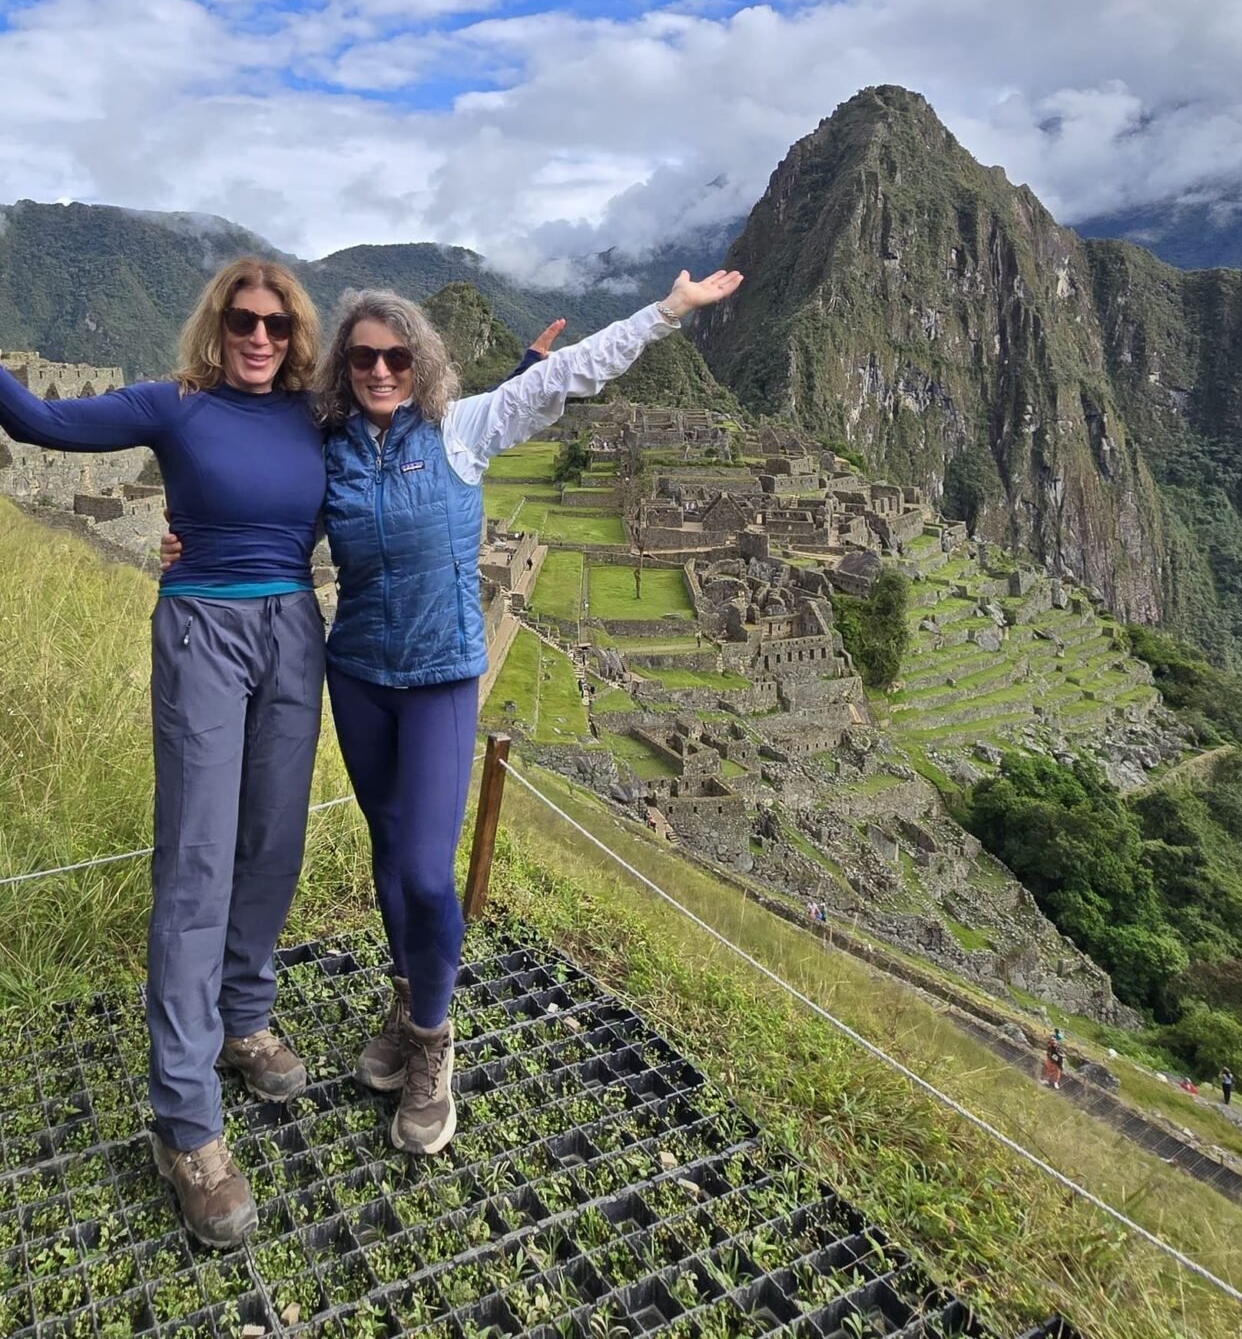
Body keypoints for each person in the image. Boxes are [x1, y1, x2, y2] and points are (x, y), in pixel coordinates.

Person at [166, 268, 741, 1157]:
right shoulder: (333, 449)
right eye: (364, 357)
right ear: (344, 368)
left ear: (421, 361)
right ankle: (406, 1006)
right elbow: (267, 512)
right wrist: (189, 539)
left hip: (438, 679)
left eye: (397, 355)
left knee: (431, 874)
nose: (381, 370)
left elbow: (567, 375)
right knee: (390, 860)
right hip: (358, 676)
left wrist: (667, 313)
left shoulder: (462, 430)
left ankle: (433, 1040)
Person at [0, 259, 326, 1249]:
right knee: (195, 860)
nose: (258, 336)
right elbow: (42, 425)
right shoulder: (177, 407)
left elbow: (425, 412)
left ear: (296, 334)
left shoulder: (318, 415)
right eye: (242, 319)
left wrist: (531, 367)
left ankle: (245, 1016)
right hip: (204, 634)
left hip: (294, 631)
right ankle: (187, 1125)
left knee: (271, 844)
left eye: (275, 323)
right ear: (217, 325)